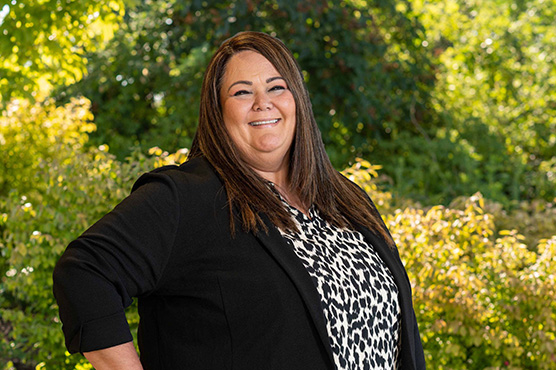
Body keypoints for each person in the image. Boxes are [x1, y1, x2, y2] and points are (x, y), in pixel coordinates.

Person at [53, 31, 426, 370]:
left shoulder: (346, 199)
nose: (263, 104)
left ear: (297, 99)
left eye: (277, 87)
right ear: (218, 111)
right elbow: (85, 273)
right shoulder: (188, 197)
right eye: (242, 92)